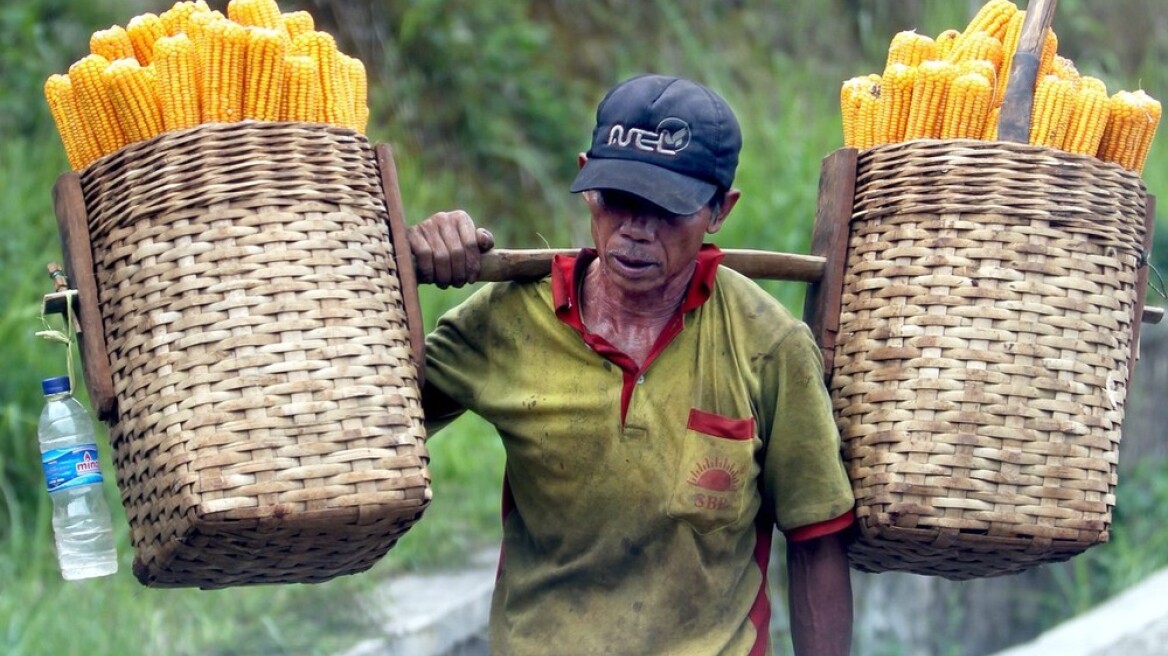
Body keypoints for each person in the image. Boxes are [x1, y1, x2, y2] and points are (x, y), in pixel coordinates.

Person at [407, 73, 856, 656]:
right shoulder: (507, 321)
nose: (636, 231)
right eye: (618, 199)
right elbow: (370, 416)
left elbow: (816, 539)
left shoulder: (768, 346)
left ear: (720, 209)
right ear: (586, 181)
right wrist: (399, 262)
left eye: (668, 209)